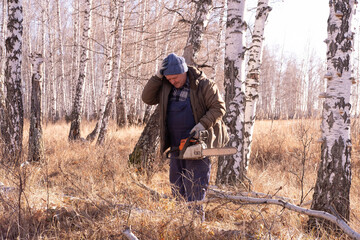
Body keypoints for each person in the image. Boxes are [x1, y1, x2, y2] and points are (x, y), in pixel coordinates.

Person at [142, 53, 228, 205]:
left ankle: (194, 224)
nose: (173, 81)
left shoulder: (204, 85)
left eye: (175, 78)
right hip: (175, 145)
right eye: (169, 79)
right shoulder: (166, 87)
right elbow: (147, 98)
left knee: (195, 188)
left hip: (196, 144)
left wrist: (202, 125)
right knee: (177, 187)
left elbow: (219, 108)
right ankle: (181, 223)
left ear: (184, 71)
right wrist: (157, 76)